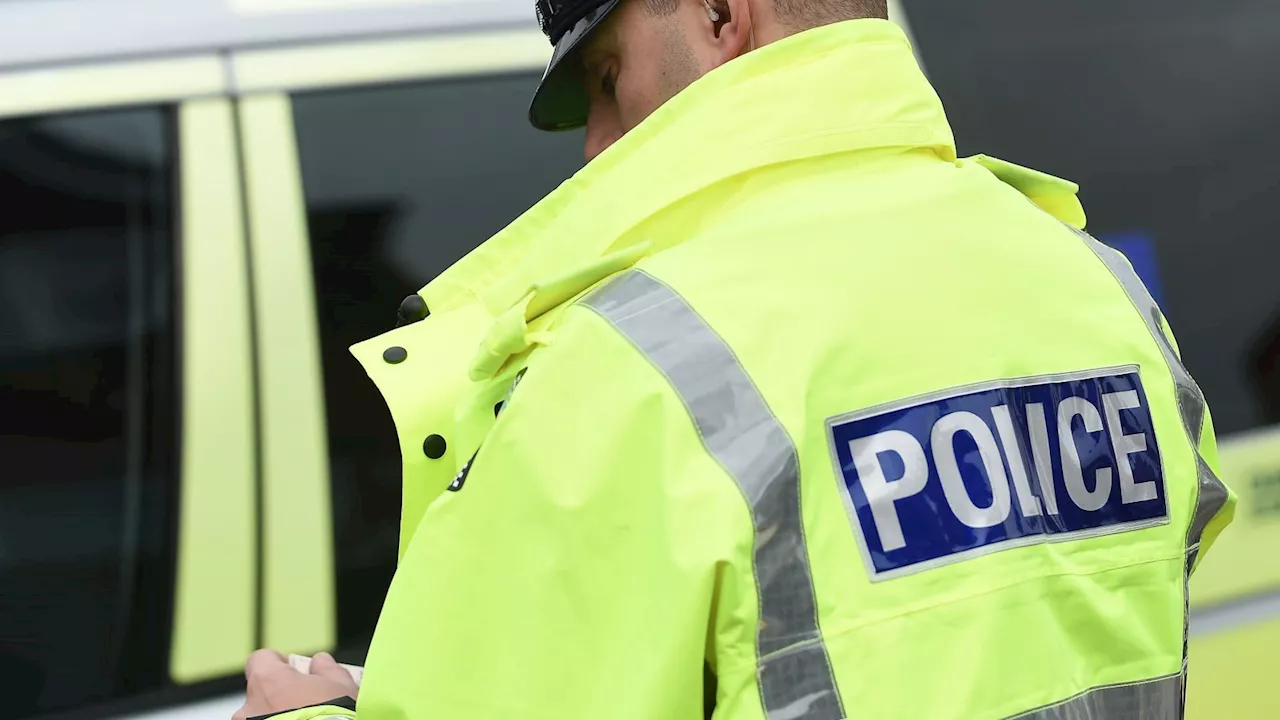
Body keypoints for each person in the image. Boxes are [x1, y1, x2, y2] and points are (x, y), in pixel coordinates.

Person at [234, 0, 1238, 717]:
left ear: (721, 14)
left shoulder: (623, 366)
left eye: (605, 78)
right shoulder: (1094, 286)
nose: (594, 143)